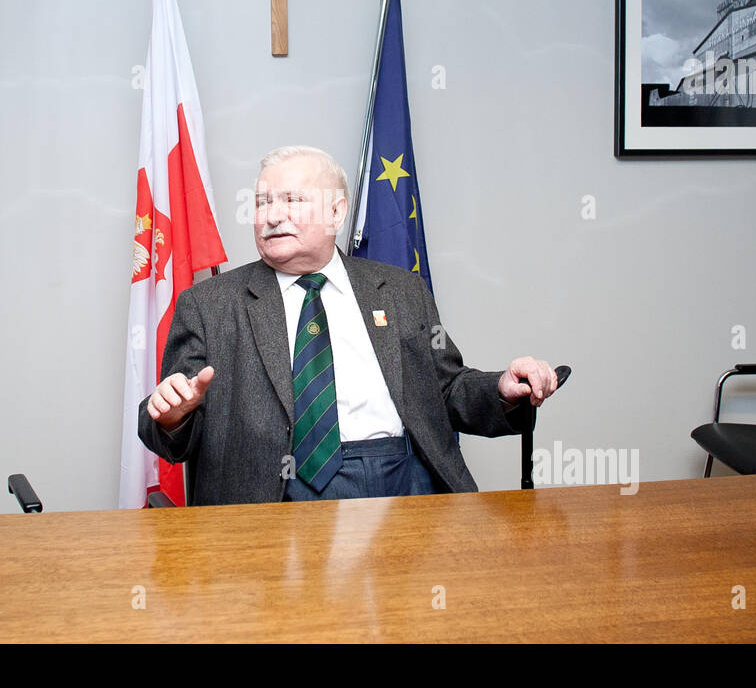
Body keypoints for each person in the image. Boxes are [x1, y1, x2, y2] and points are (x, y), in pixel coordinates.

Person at [139, 145, 558, 505]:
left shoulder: (399, 290)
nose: (271, 216)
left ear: (336, 213)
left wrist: (500, 389)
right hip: (273, 496)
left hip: (401, 482)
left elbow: (447, 389)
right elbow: (166, 425)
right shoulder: (209, 305)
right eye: (263, 202)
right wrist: (174, 417)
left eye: (292, 200)